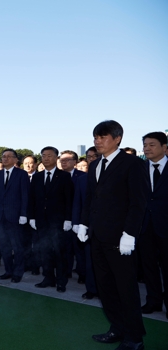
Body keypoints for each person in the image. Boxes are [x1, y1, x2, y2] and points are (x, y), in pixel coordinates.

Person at [78, 120, 149, 350]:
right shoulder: (95, 165)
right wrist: (84, 224)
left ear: (117, 138)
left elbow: (138, 202)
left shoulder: (131, 163)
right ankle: (117, 329)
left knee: (126, 289)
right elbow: (91, 199)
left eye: (102, 136)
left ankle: (134, 337)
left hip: (121, 239)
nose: (97, 141)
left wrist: (130, 234)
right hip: (97, 237)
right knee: (106, 287)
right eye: (95, 137)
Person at [28, 146, 73, 293]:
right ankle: (48, 278)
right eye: (43, 155)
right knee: (44, 251)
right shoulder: (37, 177)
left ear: (56, 158)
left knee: (60, 252)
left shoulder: (65, 176)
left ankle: (61, 281)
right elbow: (32, 199)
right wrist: (32, 217)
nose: (45, 158)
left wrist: (68, 219)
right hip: (41, 221)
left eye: (49, 155)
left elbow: (69, 200)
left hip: (58, 222)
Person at [139, 131, 168, 319]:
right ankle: (153, 301)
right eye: (145, 145)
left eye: (152, 145)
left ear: (165, 147)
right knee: (148, 266)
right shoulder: (139, 169)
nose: (147, 148)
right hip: (144, 226)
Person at [0, 149, 30, 283]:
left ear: (15, 160)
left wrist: (24, 214)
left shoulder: (22, 174)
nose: (5, 159)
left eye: (8, 157)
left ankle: (18, 272)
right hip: (0, 216)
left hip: (15, 216)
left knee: (17, 246)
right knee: (4, 245)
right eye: (3, 157)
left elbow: (25, 195)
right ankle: (8, 270)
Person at [72, 146, 100, 300]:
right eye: (89, 157)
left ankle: (106, 291)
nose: (92, 159)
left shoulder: (112, 176)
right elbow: (78, 203)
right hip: (87, 226)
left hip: (108, 227)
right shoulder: (82, 179)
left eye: (95, 156)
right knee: (89, 260)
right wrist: (77, 223)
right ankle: (92, 289)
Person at [59, 150, 86, 281]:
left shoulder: (82, 177)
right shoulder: (57, 176)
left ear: (75, 162)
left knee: (79, 249)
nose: (63, 162)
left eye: (67, 160)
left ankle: (82, 273)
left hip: (78, 219)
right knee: (65, 249)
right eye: (61, 160)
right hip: (62, 219)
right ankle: (66, 271)